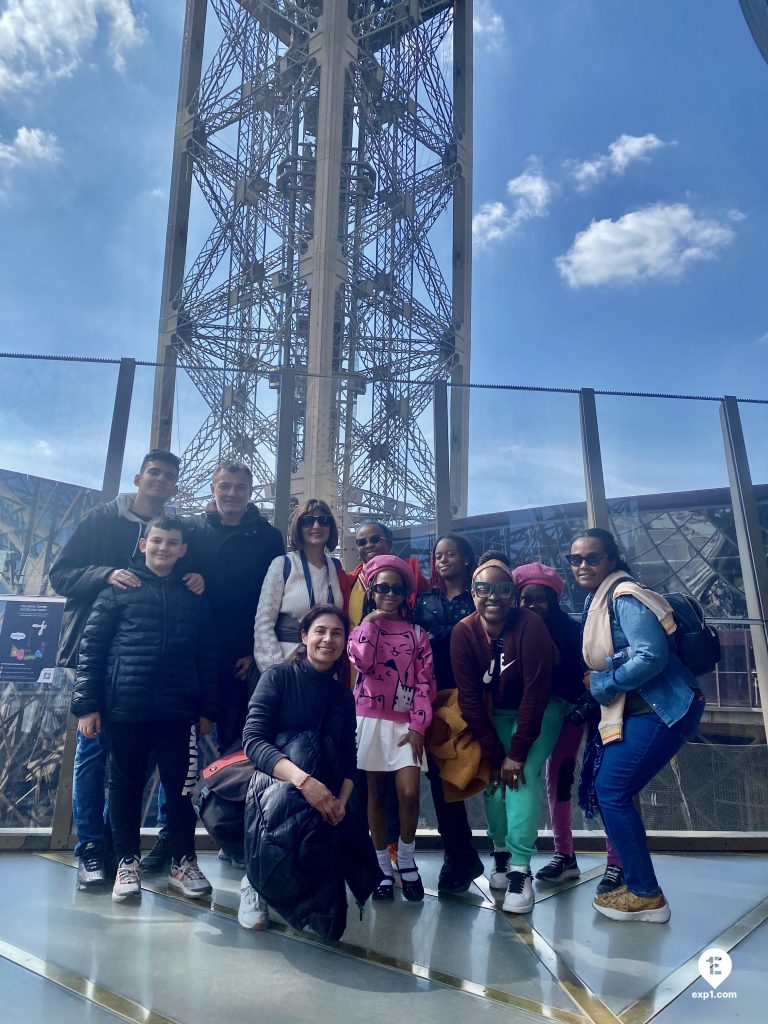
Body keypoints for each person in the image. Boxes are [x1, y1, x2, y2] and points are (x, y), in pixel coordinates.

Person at [49, 449, 203, 889]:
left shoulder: (177, 530)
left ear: (175, 484)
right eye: (153, 473)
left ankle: (124, 851)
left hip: (145, 673)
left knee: (135, 765)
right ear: (138, 477)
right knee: (94, 755)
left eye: (169, 476)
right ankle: (91, 850)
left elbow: (184, 580)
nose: (160, 481)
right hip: (96, 657)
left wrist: (196, 579)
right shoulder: (100, 520)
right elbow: (61, 575)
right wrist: (106, 574)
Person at [141, 461, 284, 875]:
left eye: (240, 487)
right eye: (226, 486)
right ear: (213, 487)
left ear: (250, 490)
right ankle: (171, 838)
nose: (233, 493)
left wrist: (255, 652)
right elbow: (174, 573)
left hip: (242, 662)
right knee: (181, 754)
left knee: (237, 749)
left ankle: (233, 830)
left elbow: (268, 599)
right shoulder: (193, 531)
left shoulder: (268, 537)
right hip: (194, 658)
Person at [71, 516, 218, 903]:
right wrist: (87, 706)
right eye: (157, 541)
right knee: (124, 787)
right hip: (125, 708)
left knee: (181, 788)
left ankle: (182, 862)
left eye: (172, 542)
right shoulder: (118, 591)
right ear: (143, 544)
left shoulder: (193, 594)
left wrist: (207, 708)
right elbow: (92, 651)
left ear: (183, 550)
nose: (164, 548)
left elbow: (207, 654)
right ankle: (126, 863)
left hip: (178, 710)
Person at [568, 528, 705, 923]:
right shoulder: (602, 599)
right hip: (647, 709)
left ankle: (646, 894)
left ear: (611, 559)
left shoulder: (623, 596)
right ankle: (637, 883)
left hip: (662, 709)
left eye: (592, 558)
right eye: (574, 559)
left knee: (611, 789)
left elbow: (651, 656)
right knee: (614, 790)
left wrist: (601, 684)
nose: (582, 565)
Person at [240, 606, 378, 937]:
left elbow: (348, 756)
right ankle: (256, 880)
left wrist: (341, 801)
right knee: (301, 752)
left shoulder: (343, 697)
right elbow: (254, 741)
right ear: (304, 636)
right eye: (320, 631)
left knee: (329, 925)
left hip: (325, 790)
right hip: (275, 785)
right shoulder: (278, 677)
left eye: (336, 633)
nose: (327, 639)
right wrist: (304, 782)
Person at [451, 556, 559, 914]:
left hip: (538, 711)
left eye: (502, 589)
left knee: (522, 775)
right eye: (484, 589)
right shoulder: (464, 632)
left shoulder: (530, 626)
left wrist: (516, 750)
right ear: (472, 593)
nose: (493, 596)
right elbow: (468, 697)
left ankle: (520, 869)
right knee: (494, 780)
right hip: (491, 713)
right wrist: (495, 753)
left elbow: (536, 690)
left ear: (513, 594)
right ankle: (500, 852)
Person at [512, 561, 622, 891]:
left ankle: (617, 861)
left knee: (603, 783)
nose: (531, 605)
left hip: (586, 711)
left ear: (552, 599)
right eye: (525, 599)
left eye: (538, 598)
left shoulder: (575, 632)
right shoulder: (516, 633)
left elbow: (592, 674)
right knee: (556, 780)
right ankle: (565, 854)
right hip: (551, 714)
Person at [348, 554, 436, 903]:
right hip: (368, 720)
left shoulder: (418, 635)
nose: (389, 594)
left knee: (409, 793)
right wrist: (369, 622)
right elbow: (362, 663)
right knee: (375, 795)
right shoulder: (362, 629)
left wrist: (418, 726)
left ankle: (408, 857)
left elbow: (425, 683)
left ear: (405, 593)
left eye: (396, 589)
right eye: (381, 588)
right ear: (371, 591)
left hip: (405, 724)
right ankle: (383, 865)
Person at [414, 533, 484, 893]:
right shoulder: (424, 598)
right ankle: (459, 853)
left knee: (476, 771)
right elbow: (417, 641)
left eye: (450, 553)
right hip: (433, 694)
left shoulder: (480, 595)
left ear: (466, 558)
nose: (443, 560)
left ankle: (494, 856)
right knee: (440, 778)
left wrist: (440, 634)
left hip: (473, 693)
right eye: (438, 555)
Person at [253, 499, 345, 673]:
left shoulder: (336, 567)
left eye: (323, 520)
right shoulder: (283, 565)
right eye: (308, 521)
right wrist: (275, 671)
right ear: (298, 527)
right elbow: (263, 622)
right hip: (287, 665)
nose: (316, 526)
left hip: (325, 670)